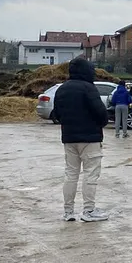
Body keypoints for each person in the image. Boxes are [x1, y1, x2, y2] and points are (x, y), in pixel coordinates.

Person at [53, 57, 110, 223]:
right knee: (90, 174)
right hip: (90, 138)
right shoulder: (88, 88)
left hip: (69, 138)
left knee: (71, 174)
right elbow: (101, 113)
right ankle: (89, 210)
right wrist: (100, 123)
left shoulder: (61, 89)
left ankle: (68, 211)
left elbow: (56, 114)